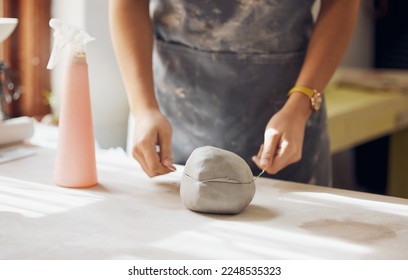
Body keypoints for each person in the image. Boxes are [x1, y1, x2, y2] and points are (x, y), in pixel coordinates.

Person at [109, 0, 361, 186]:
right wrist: (144, 109)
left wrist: (300, 105)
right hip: (169, 116)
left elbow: (342, 5)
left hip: (289, 109)